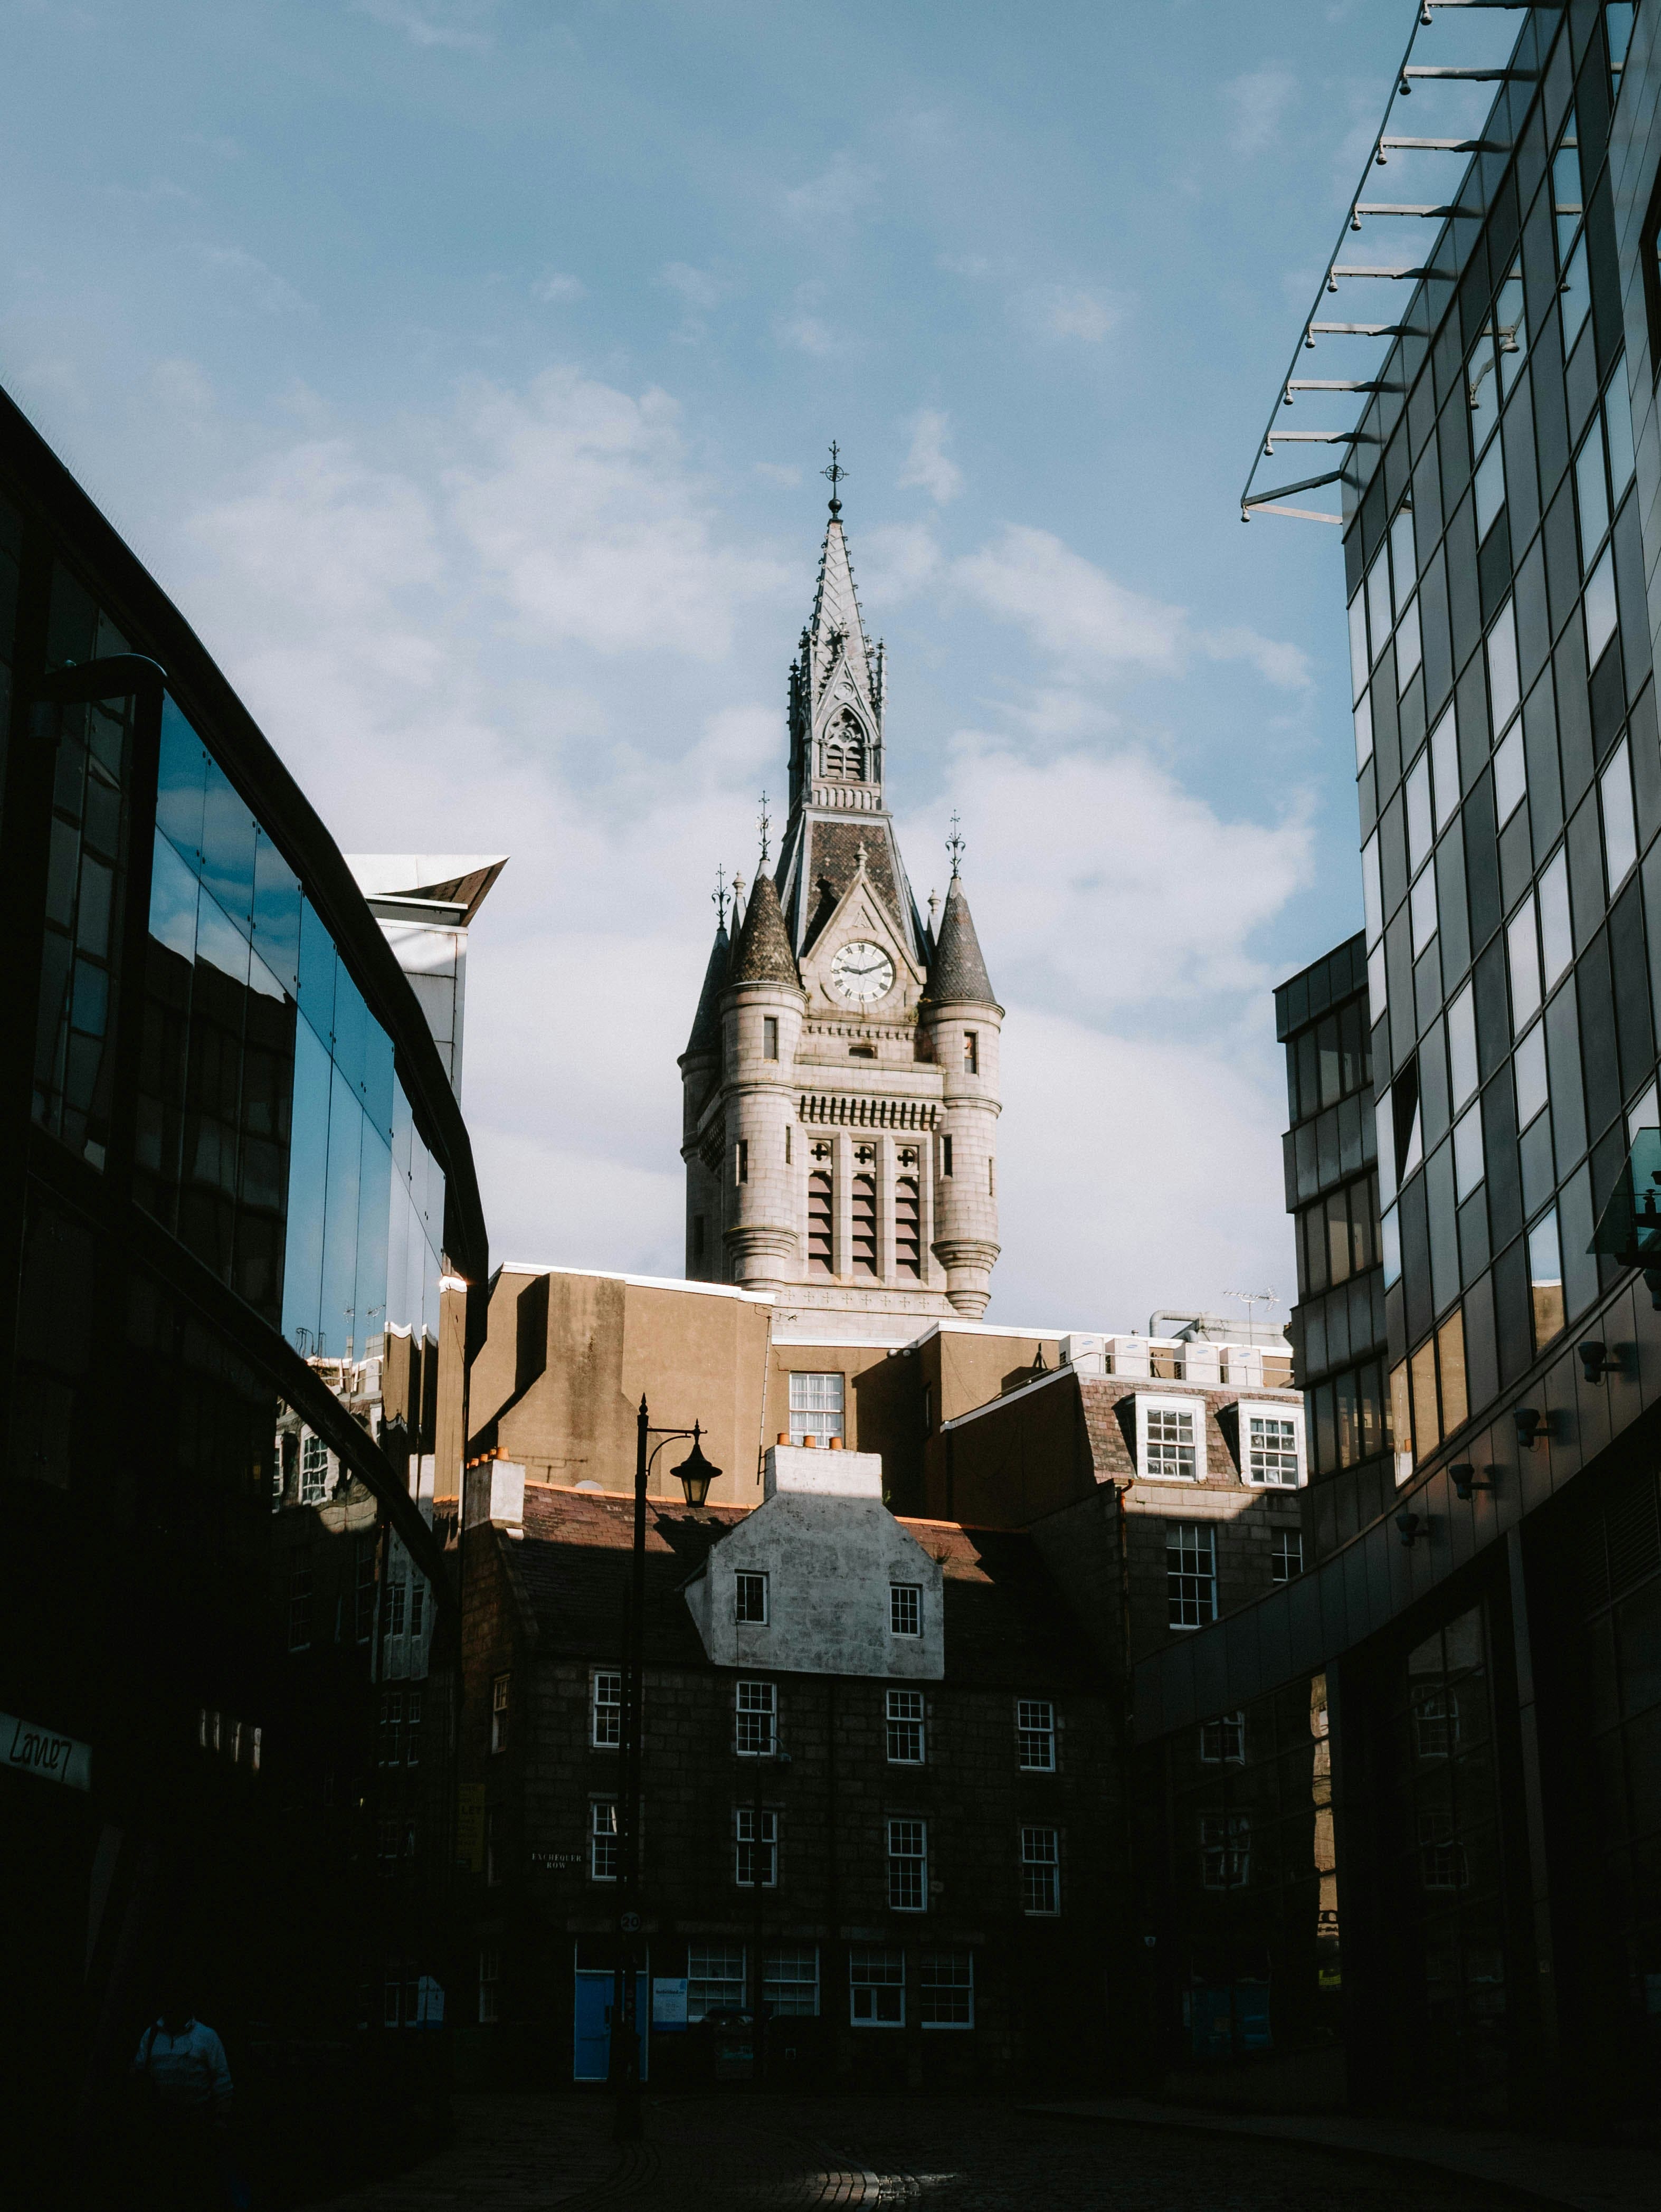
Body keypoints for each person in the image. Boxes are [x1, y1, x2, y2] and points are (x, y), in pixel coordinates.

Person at [131, 1990, 234, 2210]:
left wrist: (220, 2123)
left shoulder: (206, 2037)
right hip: (159, 2127)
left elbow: (222, 2082)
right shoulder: (151, 2035)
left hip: (196, 2127)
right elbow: (139, 2073)